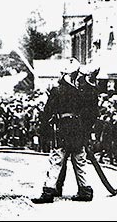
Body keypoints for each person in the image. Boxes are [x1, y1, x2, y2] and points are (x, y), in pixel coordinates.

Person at [31, 58, 94, 204]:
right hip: (77, 130)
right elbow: (89, 112)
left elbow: (47, 113)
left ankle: (48, 192)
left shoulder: (57, 91)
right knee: (80, 160)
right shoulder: (81, 92)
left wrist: (44, 131)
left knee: (56, 160)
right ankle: (85, 191)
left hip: (62, 130)